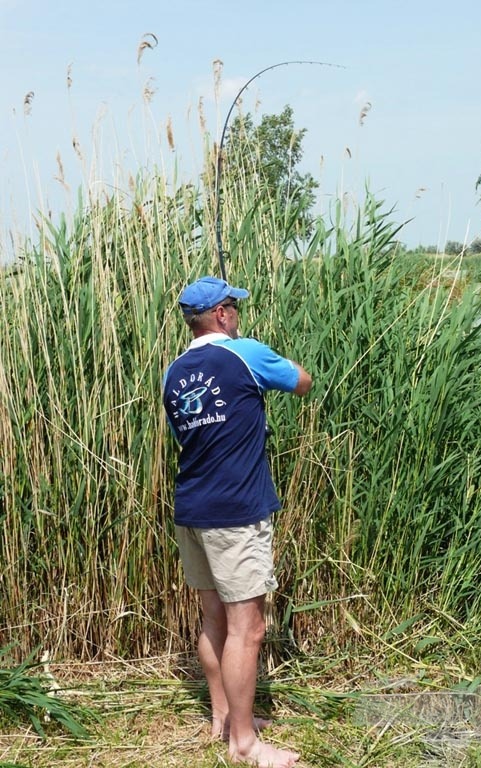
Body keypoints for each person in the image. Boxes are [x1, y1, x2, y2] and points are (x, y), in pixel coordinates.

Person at [163, 276, 312, 768]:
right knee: (247, 629)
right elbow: (302, 382)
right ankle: (245, 744)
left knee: (214, 618)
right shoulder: (245, 352)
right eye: (235, 308)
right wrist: (275, 358)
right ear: (222, 313)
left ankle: (224, 718)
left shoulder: (173, 372)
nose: (239, 315)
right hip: (235, 514)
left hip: (192, 510)